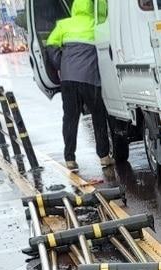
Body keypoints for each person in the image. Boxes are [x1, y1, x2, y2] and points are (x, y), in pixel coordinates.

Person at [47, 0, 113, 174]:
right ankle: (104, 157)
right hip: (90, 80)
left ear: (75, 6)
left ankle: (69, 158)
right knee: (98, 117)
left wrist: (60, 64)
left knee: (70, 118)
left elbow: (50, 46)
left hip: (68, 80)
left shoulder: (64, 25)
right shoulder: (96, 25)